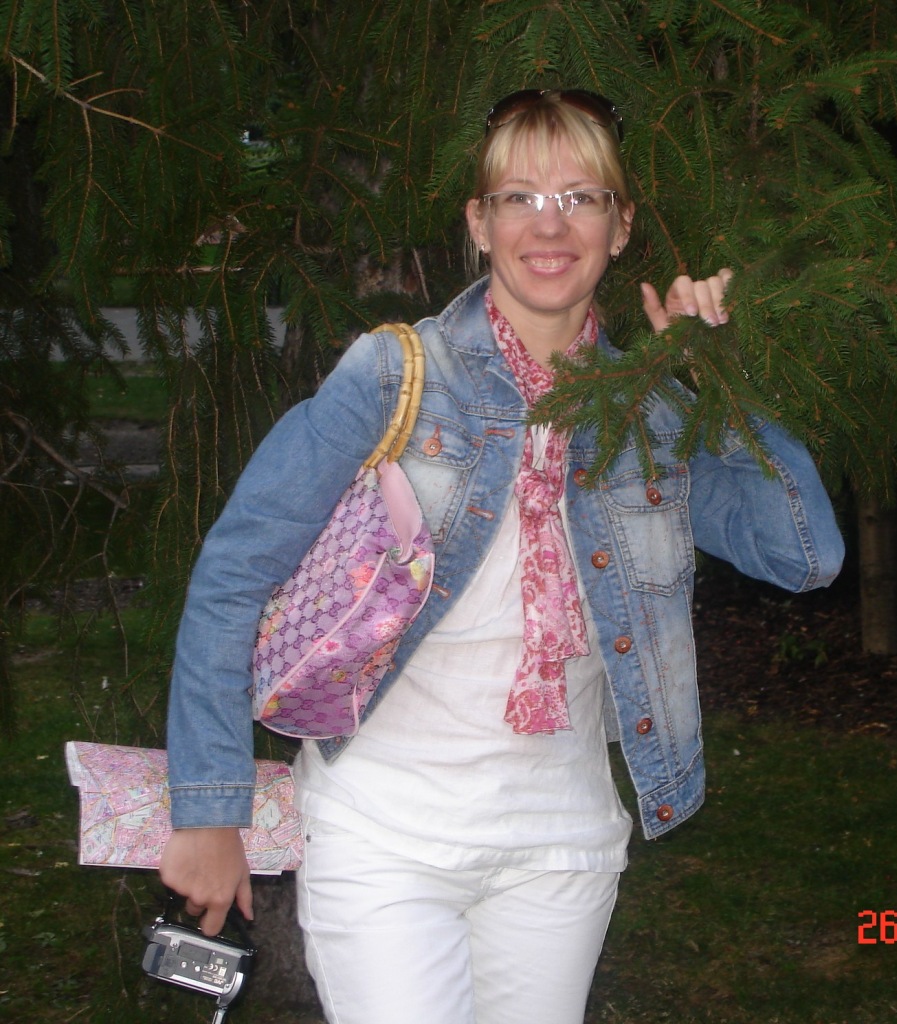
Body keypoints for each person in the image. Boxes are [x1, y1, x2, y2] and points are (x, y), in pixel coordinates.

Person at [160, 88, 844, 1024]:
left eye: (580, 197)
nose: (548, 225)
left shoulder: (652, 414)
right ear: (479, 224)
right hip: (382, 834)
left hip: (561, 848)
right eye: (518, 198)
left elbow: (802, 554)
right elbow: (233, 575)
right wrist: (209, 808)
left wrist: (716, 372)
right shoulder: (393, 375)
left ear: (620, 225)